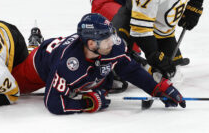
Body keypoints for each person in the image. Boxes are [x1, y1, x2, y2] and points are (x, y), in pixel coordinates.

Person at [12, 13, 186, 114]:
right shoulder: (68, 64)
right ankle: (34, 44)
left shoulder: (111, 47)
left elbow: (130, 69)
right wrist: (87, 104)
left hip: (65, 58)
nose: (112, 42)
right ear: (91, 43)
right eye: (106, 39)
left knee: (106, 75)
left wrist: (158, 87)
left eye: (112, 36)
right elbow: (53, 103)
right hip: (38, 65)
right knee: (13, 88)